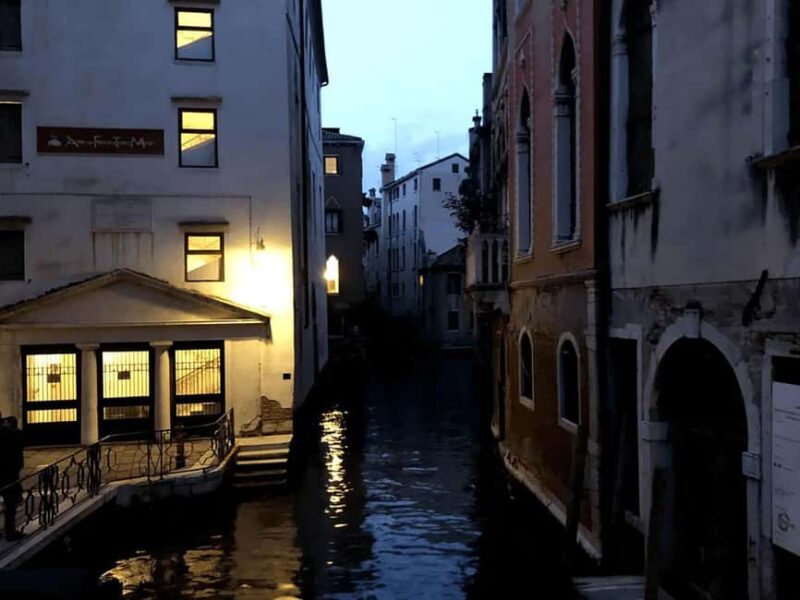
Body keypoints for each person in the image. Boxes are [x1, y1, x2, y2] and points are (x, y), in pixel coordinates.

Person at [0, 415, 24, 541]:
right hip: (8, 473)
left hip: (7, 471)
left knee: (10, 502)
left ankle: (9, 531)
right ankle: (10, 531)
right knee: (11, 503)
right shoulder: (11, 433)